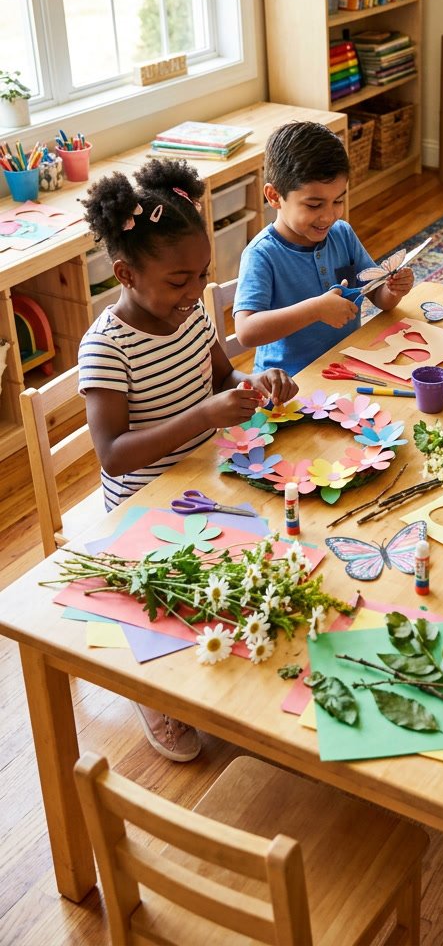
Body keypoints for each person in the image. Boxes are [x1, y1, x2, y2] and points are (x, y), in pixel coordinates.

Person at [79, 158, 297, 761]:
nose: (194, 293)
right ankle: (151, 689)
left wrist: (261, 380)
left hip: (204, 480)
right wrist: (202, 416)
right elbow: (113, 456)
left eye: (201, 276)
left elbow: (224, 373)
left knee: (288, 547)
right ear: (124, 273)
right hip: (143, 512)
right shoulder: (107, 347)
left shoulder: (193, 313)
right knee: (174, 595)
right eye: (178, 281)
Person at [234, 121, 413, 377]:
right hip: (289, 383)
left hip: (345, 366)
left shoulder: (342, 234)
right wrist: (315, 310)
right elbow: (247, 332)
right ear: (274, 197)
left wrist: (393, 289)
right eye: (314, 205)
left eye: (338, 200)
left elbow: (379, 299)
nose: (329, 216)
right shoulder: (262, 254)